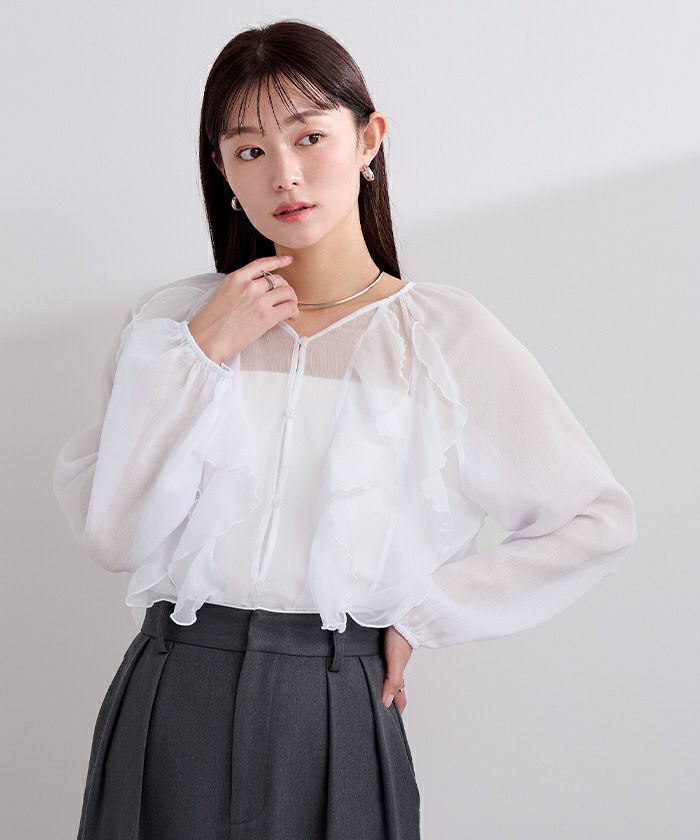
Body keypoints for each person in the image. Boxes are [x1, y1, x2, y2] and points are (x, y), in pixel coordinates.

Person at [52, 19, 637, 840]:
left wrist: (424, 611)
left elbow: (595, 518)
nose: (284, 174)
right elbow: (115, 536)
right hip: (171, 690)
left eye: (310, 137)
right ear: (222, 170)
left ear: (368, 139)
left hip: (336, 699)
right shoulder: (171, 326)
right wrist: (200, 353)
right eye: (250, 150)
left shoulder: (442, 336)